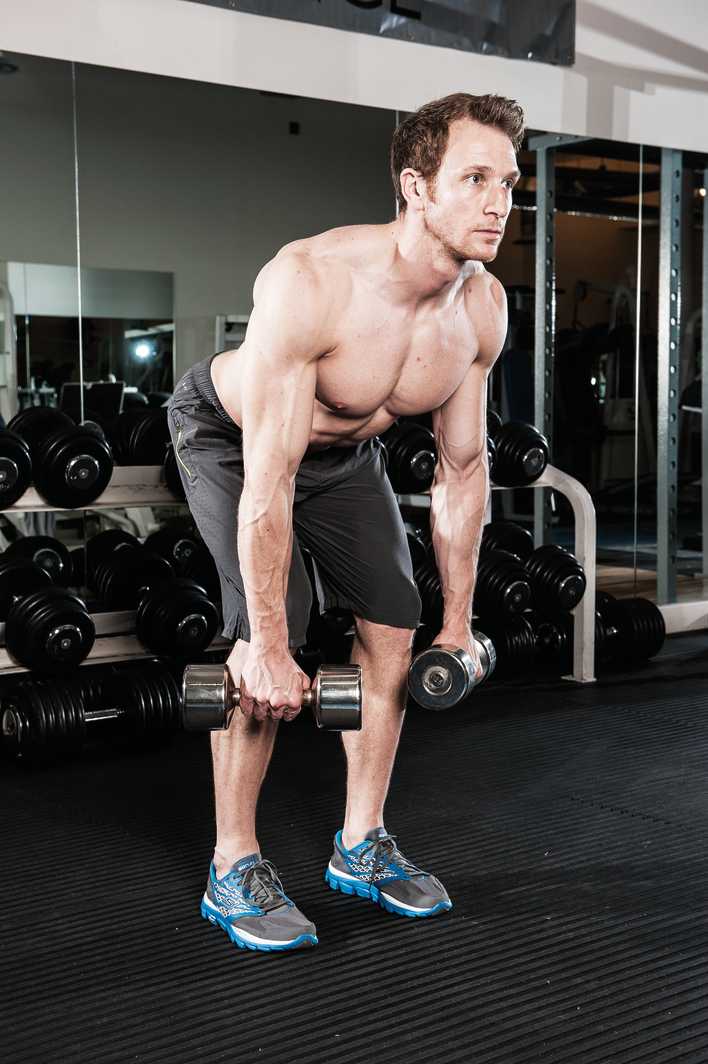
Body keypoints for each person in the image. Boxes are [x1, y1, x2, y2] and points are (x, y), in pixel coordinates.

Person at [167, 91, 524, 952]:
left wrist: (459, 626)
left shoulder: (480, 309)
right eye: (474, 178)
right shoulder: (313, 282)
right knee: (265, 630)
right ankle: (233, 861)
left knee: (395, 627)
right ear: (415, 186)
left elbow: (464, 471)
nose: (498, 202)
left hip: (344, 457)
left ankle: (360, 844)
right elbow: (270, 477)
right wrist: (273, 647)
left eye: (509, 181)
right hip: (235, 440)